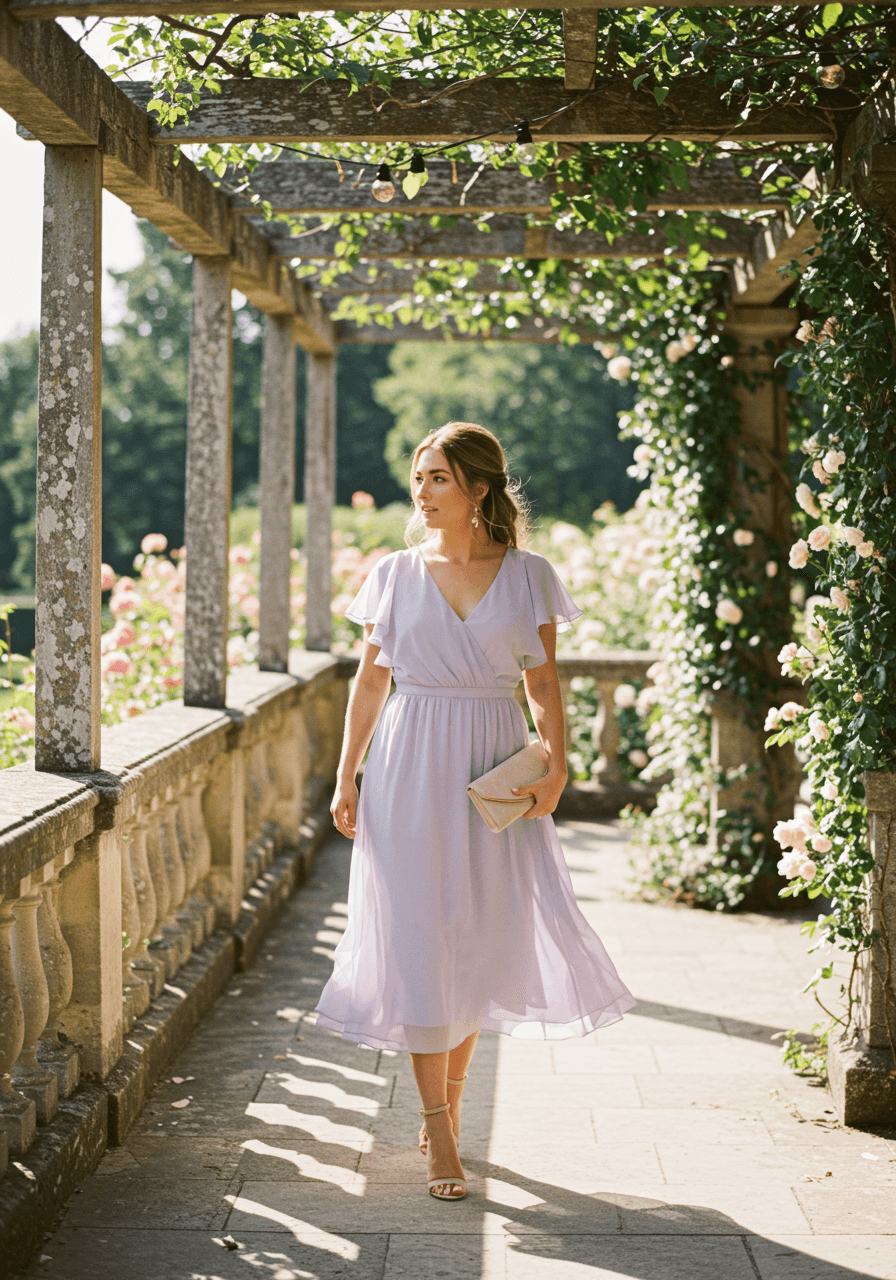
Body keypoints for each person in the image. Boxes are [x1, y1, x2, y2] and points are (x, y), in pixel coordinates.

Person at [317, 422, 635, 1202]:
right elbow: (370, 682)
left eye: (439, 478)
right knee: (421, 936)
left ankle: (447, 1112)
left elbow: (544, 682)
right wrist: (347, 773)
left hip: (493, 759)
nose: (422, 492)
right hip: (409, 762)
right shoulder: (394, 574)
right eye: (419, 477)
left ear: (478, 490)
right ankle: (440, 1130)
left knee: (476, 933)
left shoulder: (528, 576)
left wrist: (556, 765)